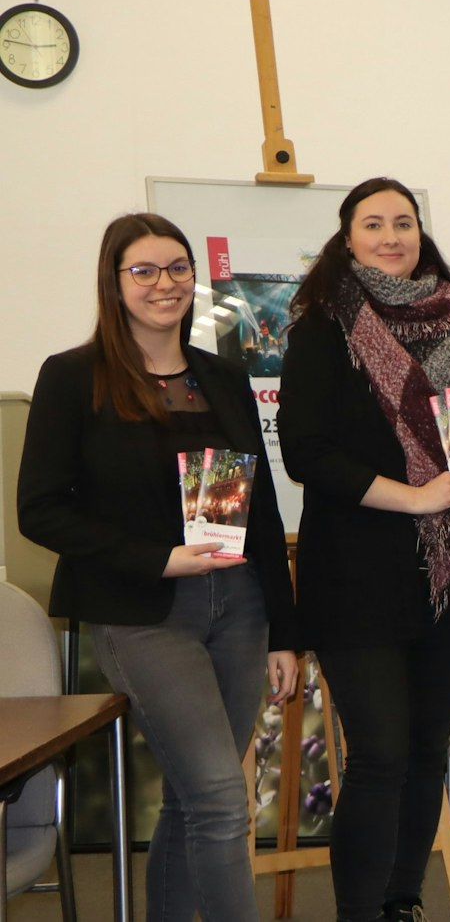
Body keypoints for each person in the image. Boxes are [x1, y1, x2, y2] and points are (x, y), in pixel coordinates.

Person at [19, 213, 300, 922]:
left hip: (239, 605)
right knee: (218, 794)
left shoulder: (224, 376)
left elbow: (260, 506)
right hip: (142, 615)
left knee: (190, 796)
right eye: (143, 271)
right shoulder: (71, 376)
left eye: (177, 267)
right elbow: (40, 510)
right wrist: (160, 558)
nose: (164, 283)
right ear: (114, 285)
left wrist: (285, 631)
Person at [278, 178, 450, 922]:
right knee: (379, 755)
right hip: (355, 577)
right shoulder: (321, 327)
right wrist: (415, 496)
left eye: (403, 222)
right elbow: (304, 452)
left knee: (424, 754)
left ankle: (399, 902)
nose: (391, 235)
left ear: (422, 233)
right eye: (373, 223)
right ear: (346, 237)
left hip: (446, 574)